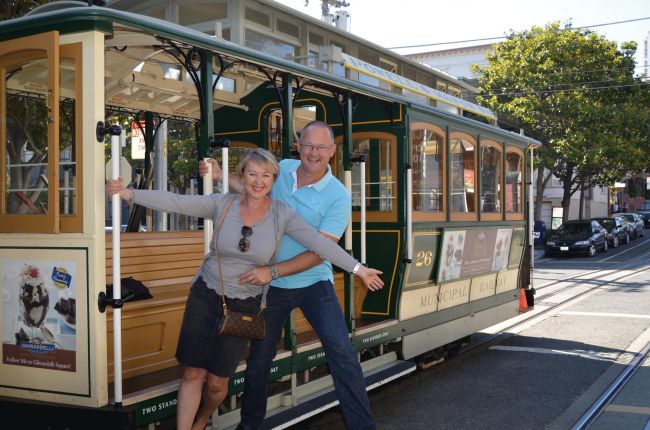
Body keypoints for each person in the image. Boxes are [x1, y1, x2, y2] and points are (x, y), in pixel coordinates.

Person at [107, 148, 383, 430]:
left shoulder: (282, 215)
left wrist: (358, 269)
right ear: (242, 176)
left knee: (216, 384)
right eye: (252, 174)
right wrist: (130, 194)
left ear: (274, 181)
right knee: (192, 373)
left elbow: (320, 244)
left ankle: (201, 419)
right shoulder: (223, 204)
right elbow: (178, 202)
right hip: (205, 294)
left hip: (244, 306)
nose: (258, 181)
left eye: (265, 175)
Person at [201, 121, 377, 430]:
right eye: (308, 145)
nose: (314, 153)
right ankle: (250, 427)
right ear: (299, 145)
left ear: (332, 152)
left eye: (322, 147)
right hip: (272, 288)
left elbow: (319, 251)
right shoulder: (282, 168)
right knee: (259, 361)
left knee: (341, 352)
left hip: (313, 283)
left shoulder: (337, 196)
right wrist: (219, 176)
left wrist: (272, 271)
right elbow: (253, 189)